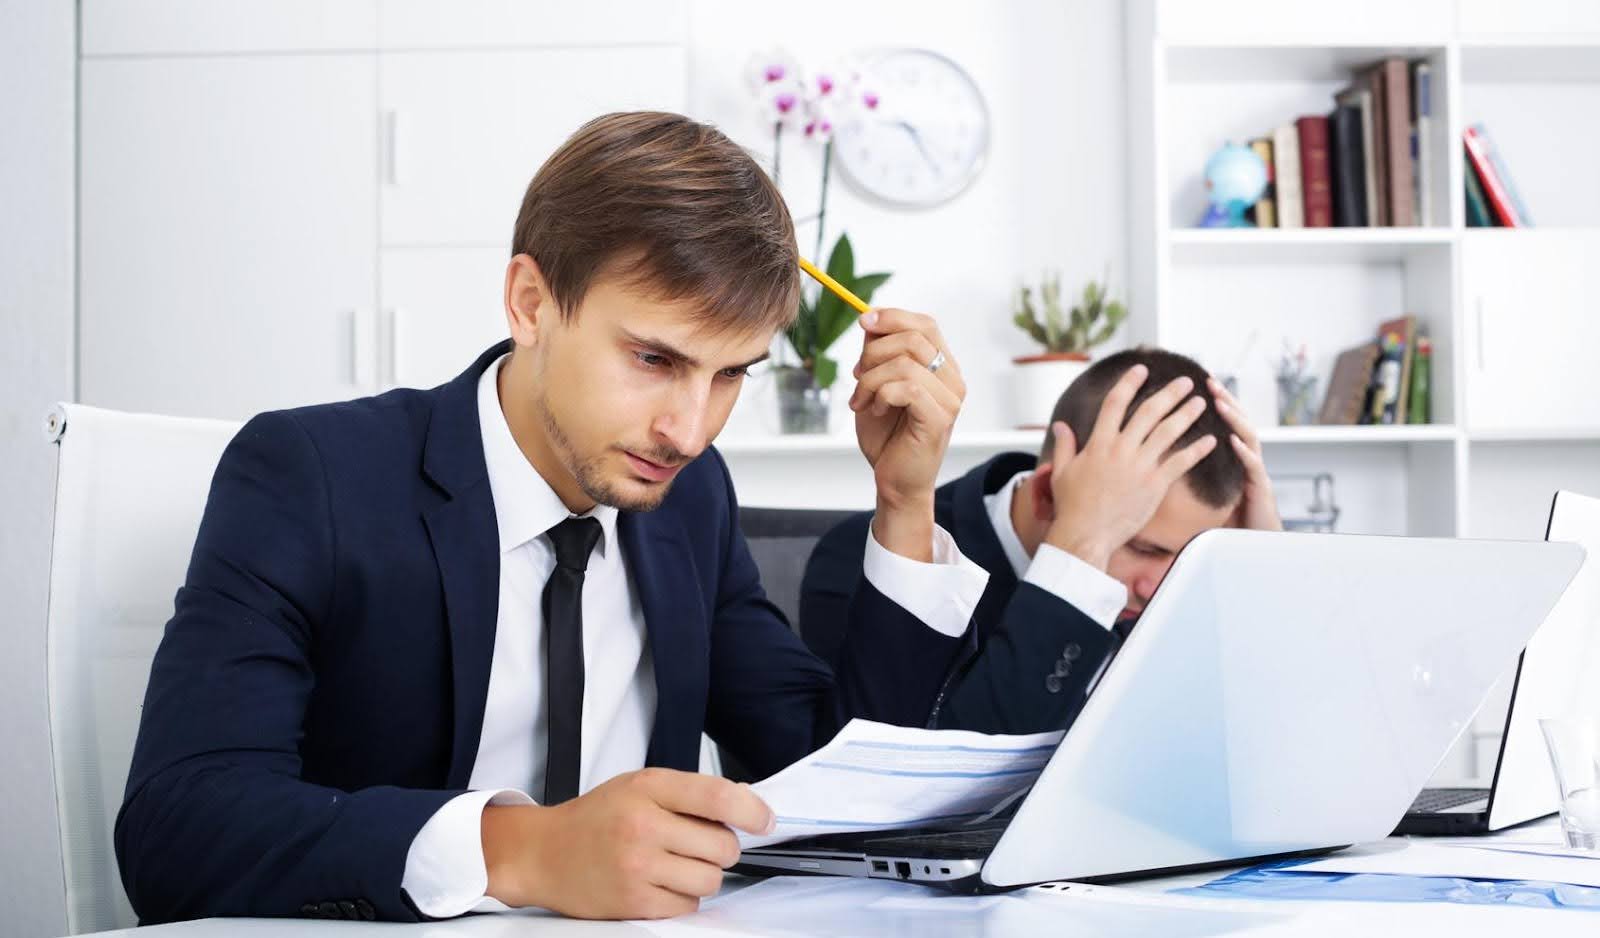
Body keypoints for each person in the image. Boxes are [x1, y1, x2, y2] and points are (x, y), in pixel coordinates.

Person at [114, 112, 992, 924]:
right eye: (653, 357)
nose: (688, 430)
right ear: (531, 303)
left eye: (731, 375)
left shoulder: (692, 497)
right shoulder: (314, 475)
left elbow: (829, 785)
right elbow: (178, 828)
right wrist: (523, 852)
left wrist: (906, 501)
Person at [801, 348, 1284, 735]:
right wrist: (1081, 549)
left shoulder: (1180, 585)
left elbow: (1247, 752)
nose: (1159, 586)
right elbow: (933, 805)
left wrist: (1258, 572)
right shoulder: (868, 561)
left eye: (1190, 554)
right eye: (1143, 547)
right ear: (1050, 495)